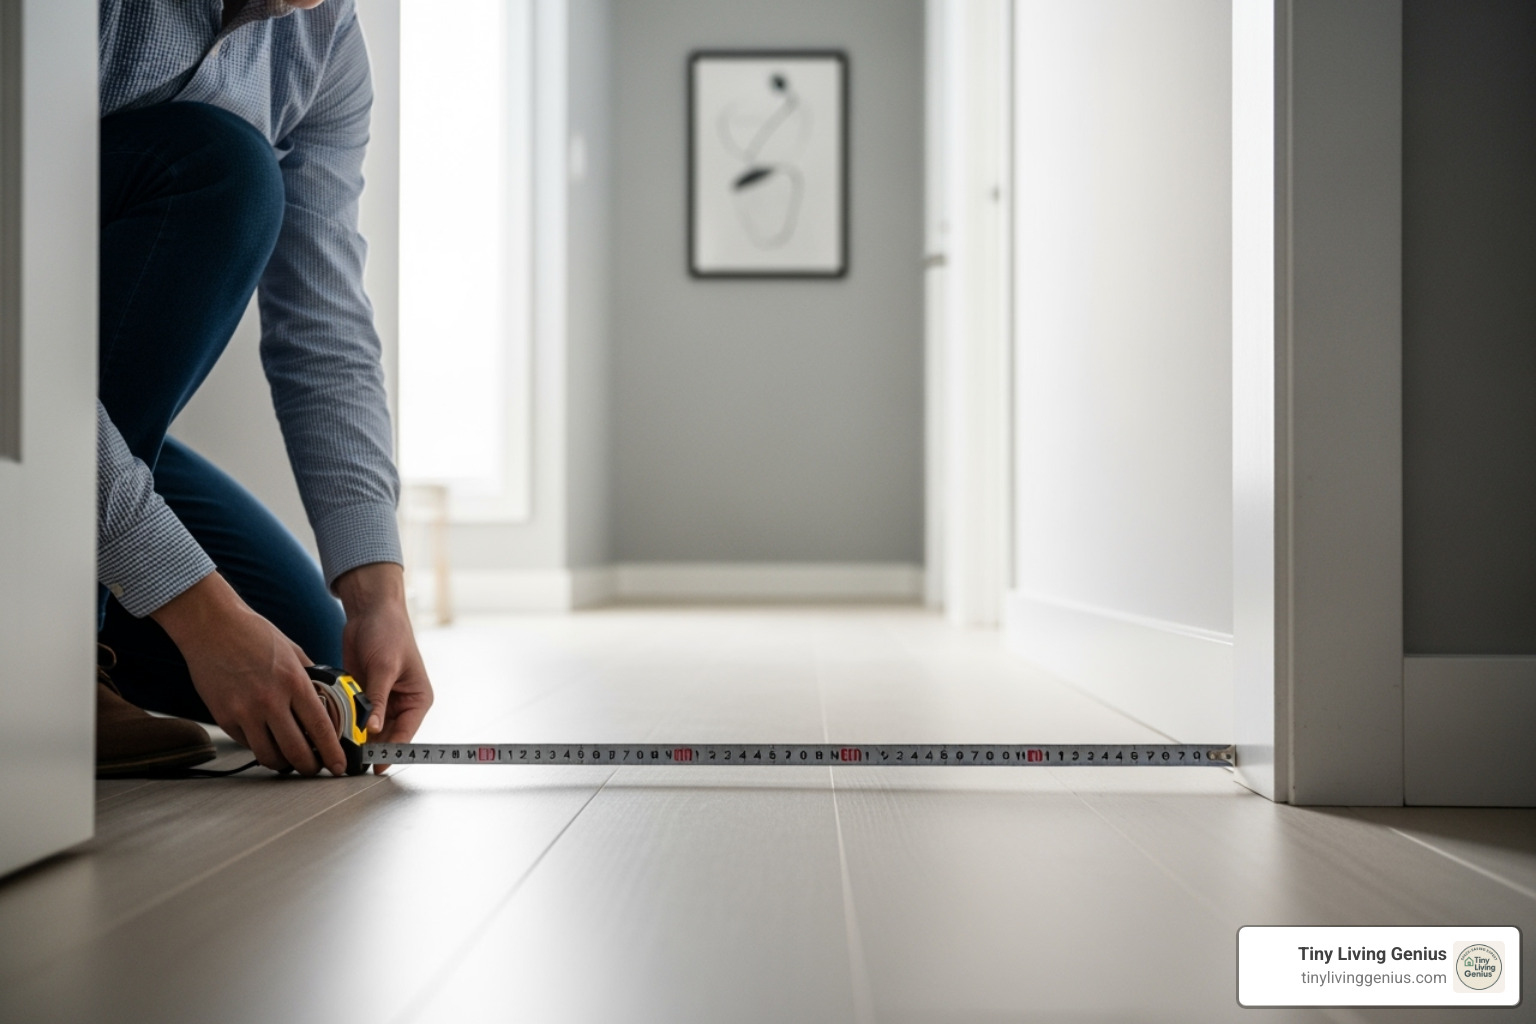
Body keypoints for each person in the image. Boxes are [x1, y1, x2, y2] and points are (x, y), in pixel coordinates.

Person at [94, 0, 432, 776]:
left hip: (75, 422)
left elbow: (325, 327)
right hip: (19, 394)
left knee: (307, 652)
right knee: (224, 169)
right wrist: (195, 608)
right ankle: (42, 657)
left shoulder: (327, 43)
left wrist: (377, 591)